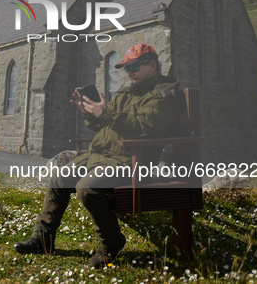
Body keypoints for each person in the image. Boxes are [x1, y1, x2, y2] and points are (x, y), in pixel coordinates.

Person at [13, 43, 181, 268]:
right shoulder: (126, 93)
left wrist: (107, 112)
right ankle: (43, 238)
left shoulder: (164, 94)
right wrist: (91, 114)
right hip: (101, 155)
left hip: (133, 161)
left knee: (87, 188)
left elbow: (145, 129)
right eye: (127, 68)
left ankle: (111, 243)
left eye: (135, 67)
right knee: (59, 179)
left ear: (153, 65)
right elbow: (107, 126)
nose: (130, 72)